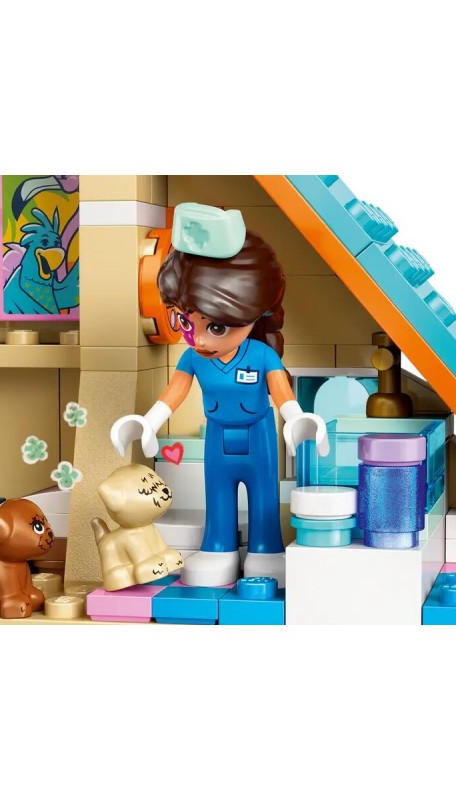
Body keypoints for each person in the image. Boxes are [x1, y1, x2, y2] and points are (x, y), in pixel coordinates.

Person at [110, 206, 328, 587]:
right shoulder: (194, 358)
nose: (198, 339)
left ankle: (265, 550)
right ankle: (218, 547)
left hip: (259, 438)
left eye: (215, 326)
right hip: (218, 439)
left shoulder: (261, 355)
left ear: (255, 311)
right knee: (218, 496)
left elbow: (281, 391)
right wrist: (148, 422)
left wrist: (297, 419)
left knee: (263, 497)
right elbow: (175, 391)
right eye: (184, 321)